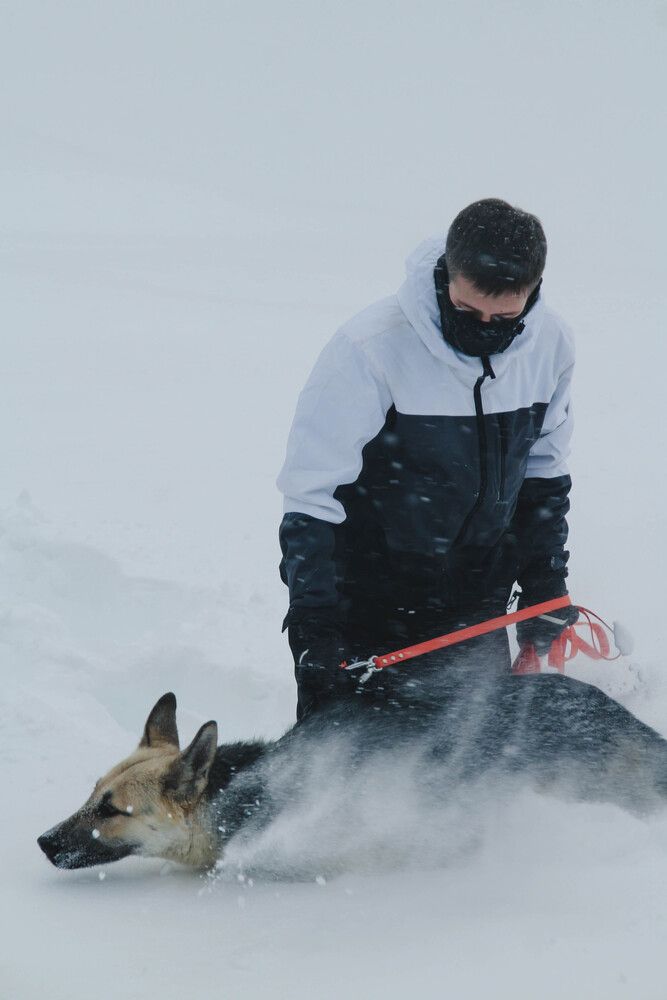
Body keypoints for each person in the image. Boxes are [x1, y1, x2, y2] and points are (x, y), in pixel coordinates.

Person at [277, 198, 578, 719]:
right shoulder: (371, 348)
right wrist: (314, 623)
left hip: (475, 604)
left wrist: (544, 583)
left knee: (468, 767)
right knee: (351, 774)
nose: (484, 327)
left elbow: (542, 474)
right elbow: (310, 497)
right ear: (446, 275)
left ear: (531, 294)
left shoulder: (550, 347)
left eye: (504, 317)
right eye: (466, 312)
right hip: (370, 599)